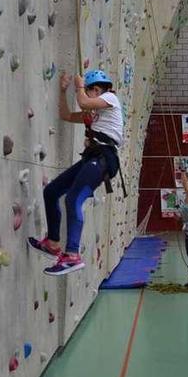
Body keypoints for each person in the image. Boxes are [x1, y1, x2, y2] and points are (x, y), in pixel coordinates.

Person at [28, 70, 123, 276]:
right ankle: (53, 243)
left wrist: (79, 86)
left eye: (90, 91)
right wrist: (63, 92)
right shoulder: (95, 113)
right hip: (92, 158)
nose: (87, 94)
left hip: (104, 158)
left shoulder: (110, 97)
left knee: (73, 199)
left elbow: (84, 103)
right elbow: (66, 115)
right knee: (52, 191)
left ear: (96, 89)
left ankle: (72, 255)